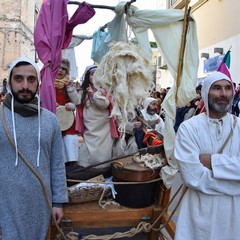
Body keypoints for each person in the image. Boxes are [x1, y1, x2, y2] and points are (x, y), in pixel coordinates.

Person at [0, 57, 68, 239]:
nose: (25, 85)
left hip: (40, 204)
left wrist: (58, 202)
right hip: (6, 204)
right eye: (18, 79)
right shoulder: (0, 118)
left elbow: (57, 164)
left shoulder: (51, 120)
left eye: (31, 79)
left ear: (38, 83)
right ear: (9, 82)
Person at [174, 71, 240, 240]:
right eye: (217, 88)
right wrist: (235, 185)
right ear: (205, 92)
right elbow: (192, 177)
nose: (223, 94)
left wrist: (214, 161)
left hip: (233, 213)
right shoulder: (189, 128)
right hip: (198, 210)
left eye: (227, 88)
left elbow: (202, 176)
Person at [72, 65, 119, 169]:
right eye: (92, 74)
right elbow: (76, 101)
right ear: (88, 76)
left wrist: (93, 95)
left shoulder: (105, 90)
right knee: (87, 148)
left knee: (102, 150)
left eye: (97, 74)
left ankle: (102, 169)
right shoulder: (83, 91)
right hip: (89, 127)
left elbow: (105, 104)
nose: (94, 76)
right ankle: (87, 168)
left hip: (102, 127)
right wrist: (70, 89)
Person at [55, 58, 79, 166]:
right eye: (59, 68)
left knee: (69, 145)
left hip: (68, 123)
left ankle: (71, 168)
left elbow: (76, 102)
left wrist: (72, 105)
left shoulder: (69, 85)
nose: (60, 71)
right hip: (53, 121)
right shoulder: (47, 84)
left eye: (63, 69)